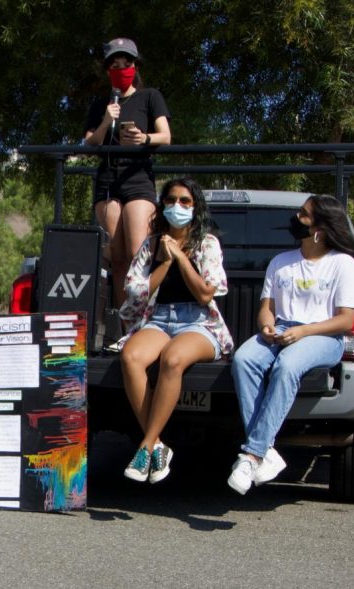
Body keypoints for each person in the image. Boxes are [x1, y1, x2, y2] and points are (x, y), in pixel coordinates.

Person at [227, 195, 354, 495]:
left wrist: (304, 332)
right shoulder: (281, 262)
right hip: (282, 330)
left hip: (324, 337)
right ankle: (266, 451)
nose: (296, 218)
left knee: (287, 365)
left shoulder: (344, 265)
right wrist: (266, 325)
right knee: (244, 359)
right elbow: (266, 307)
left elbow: (345, 320)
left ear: (321, 228)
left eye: (304, 214)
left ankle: (252, 455)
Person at [118, 178, 233, 483]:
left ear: (195, 208)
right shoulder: (152, 244)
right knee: (131, 357)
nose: (177, 207)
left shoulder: (206, 244)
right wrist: (165, 263)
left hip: (198, 322)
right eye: (170, 200)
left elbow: (207, 293)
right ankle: (157, 445)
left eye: (185, 201)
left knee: (172, 360)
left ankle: (145, 444)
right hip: (159, 319)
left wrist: (182, 257)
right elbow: (136, 290)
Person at [83, 37, 172, 309]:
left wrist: (142, 138)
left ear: (135, 66)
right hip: (108, 180)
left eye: (127, 63)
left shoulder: (150, 96)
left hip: (138, 178)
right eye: (115, 64)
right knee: (117, 256)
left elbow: (165, 137)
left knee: (138, 252)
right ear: (108, 69)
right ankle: (126, 323)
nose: (122, 68)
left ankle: (146, 316)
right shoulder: (100, 105)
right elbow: (90, 142)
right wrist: (107, 121)